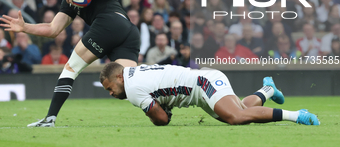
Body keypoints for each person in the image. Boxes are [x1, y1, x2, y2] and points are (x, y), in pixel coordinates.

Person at [0, 0, 140, 127]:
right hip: (128, 32)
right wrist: (25, 27)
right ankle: (162, 104)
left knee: (71, 69)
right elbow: (53, 29)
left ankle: (50, 119)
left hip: (108, 24)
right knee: (127, 84)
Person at [100, 63, 320, 126]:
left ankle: (296, 115)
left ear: (119, 77)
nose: (111, 93)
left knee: (237, 117)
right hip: (200, 88)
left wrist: (162, 112)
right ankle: (268, 89)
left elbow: (161, 119)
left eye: (110, 87)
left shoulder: (132, 88)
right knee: (242, 110)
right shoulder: (134, 72)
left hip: (203, 84)